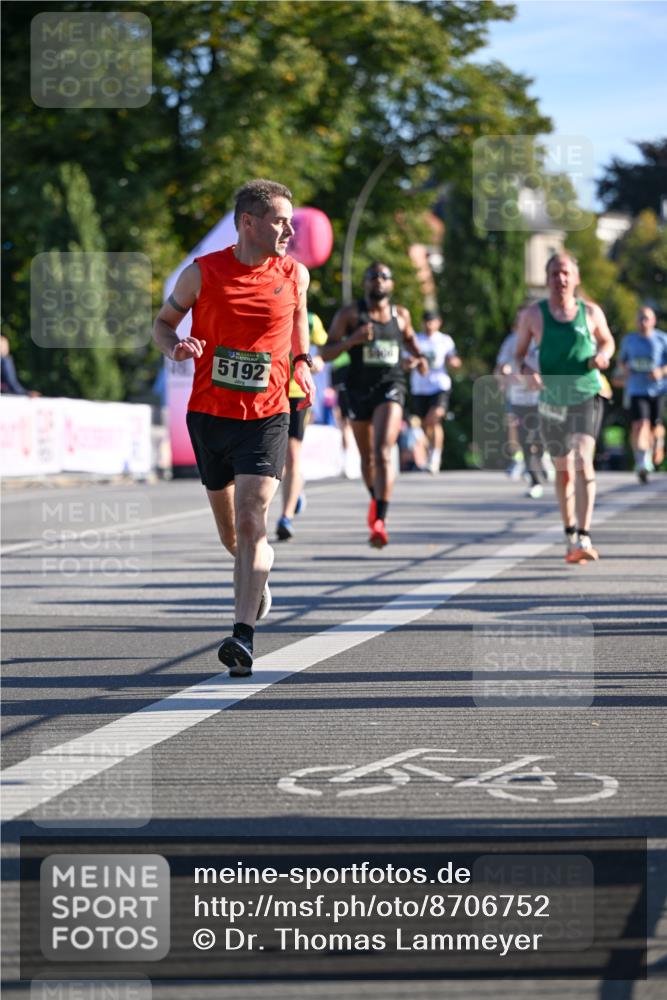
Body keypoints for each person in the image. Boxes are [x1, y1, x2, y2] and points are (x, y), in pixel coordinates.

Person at [152, 179, 316, 676]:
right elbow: (162, 323)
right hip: (209, 416)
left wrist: (304, 360)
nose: (289, 229)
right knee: (233, 534)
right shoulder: (201, 274)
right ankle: (257, 578)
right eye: (280, 220)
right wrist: (175, 347)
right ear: (248, 222)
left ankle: (241, 636)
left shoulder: (295, 275)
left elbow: (299, 321)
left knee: (252, 519)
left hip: (267, 415)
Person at [515, 252, 615, 563]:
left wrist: (603, 356)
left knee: (584, 459)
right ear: (547, 279)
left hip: (586, 392)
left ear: (576, 278)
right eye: (555, 273)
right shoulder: (533, 314)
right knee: (563, 469)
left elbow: (608, 342)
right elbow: (518, 356)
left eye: (566, 273)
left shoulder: (591, 312)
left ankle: (584, 535)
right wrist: (527, 371)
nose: (561, 278)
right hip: (551, 398)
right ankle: (569, 529)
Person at [321, 263, 428, 548]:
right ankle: (376, 499)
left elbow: (413, 345)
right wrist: (352, 340)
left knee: (382, 451)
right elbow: (326, 352)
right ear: (365, 284)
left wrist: (419, 361)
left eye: (384, 276)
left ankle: (380, 519)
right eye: (373, 277)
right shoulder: (351, 314)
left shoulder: (401, 315)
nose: (379, 281)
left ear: (391, 284)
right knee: (367, 457)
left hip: (390, 386)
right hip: (357, 390)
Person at [275, 311, 327, 539]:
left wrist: (316, 363)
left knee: (293, 455)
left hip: (296, 390)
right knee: (277, 460)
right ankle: (296, 490)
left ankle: (286, 517)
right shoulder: (267, 303)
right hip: (270, 389)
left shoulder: (312, 319)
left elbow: (323, 347)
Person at [494, 311, 549, 499]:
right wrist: (507, 373)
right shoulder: (511, 341)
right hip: (518, 397)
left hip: (540, 396)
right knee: (525, 439)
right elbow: (501, 365)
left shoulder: (542, 339)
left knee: (540, 435)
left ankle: (542, 460)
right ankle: (535, 480)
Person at [406, 309, 461, 473]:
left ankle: (436, 456)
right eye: (426, 322)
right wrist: (411, 363)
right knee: (425, 424)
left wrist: (454, 362)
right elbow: (405, 361)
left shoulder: (445, 340)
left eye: (433, 322)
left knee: (435, 417)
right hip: (420, 387)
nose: (429, 325)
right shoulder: (415, 339)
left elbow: (454, 358)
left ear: (439, 323)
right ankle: (430, 451)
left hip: (439, 385)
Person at [619, 306, 667, 482]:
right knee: (640, 425)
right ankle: (642, 462)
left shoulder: (662, 339)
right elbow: (621, 362)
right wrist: (626, 369)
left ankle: (657, 445)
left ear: (653, 321)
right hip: (636, 389)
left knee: (655, 427)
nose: (643, 322)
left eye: (647, 318)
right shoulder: (629, 340)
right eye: (640, 318)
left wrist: (660, 372)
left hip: (658, 390)